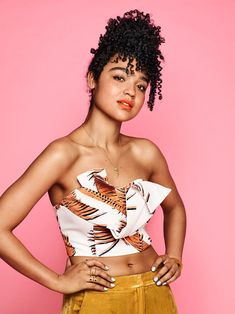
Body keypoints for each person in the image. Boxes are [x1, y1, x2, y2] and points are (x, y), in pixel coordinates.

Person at [0, 9, 186, 314]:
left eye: (141, 85)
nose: (130, 91)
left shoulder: (146, 152)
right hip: (98, 299)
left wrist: (174, 255)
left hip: (155, 292)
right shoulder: (63, 154)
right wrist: (58, 281)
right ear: (92, 78)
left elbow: (175, 207)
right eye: (119, 76)